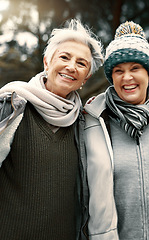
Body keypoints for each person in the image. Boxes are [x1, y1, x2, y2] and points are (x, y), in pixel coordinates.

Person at [83, 21, 149, 240]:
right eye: (118, 71)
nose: (127, 78)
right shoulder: (93, 120)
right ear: (111, 77)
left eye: (135, 68)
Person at [0, 19, 103, 239]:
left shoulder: (84, 122)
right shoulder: (11, 106)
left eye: (81, 63)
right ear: (47, 62)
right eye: (64, 57)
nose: (71, 66)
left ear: (86, 78)